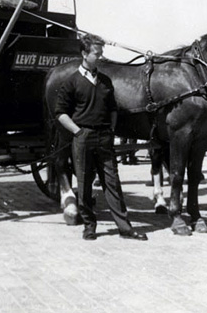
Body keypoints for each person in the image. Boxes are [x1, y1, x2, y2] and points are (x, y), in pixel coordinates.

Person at [55, 34, 147, 241]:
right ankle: (89, 226)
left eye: (101, 53)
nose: (101, 57)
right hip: (83, 137)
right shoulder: (71, 82)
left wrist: (110, 130)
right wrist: (78, 132)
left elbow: (113, 109)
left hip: (104, 138)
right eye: (97, 53)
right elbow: (60, 113)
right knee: (85, 184)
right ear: (84, 54)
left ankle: (125, 228)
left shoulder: (105, 81)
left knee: (112, 183)